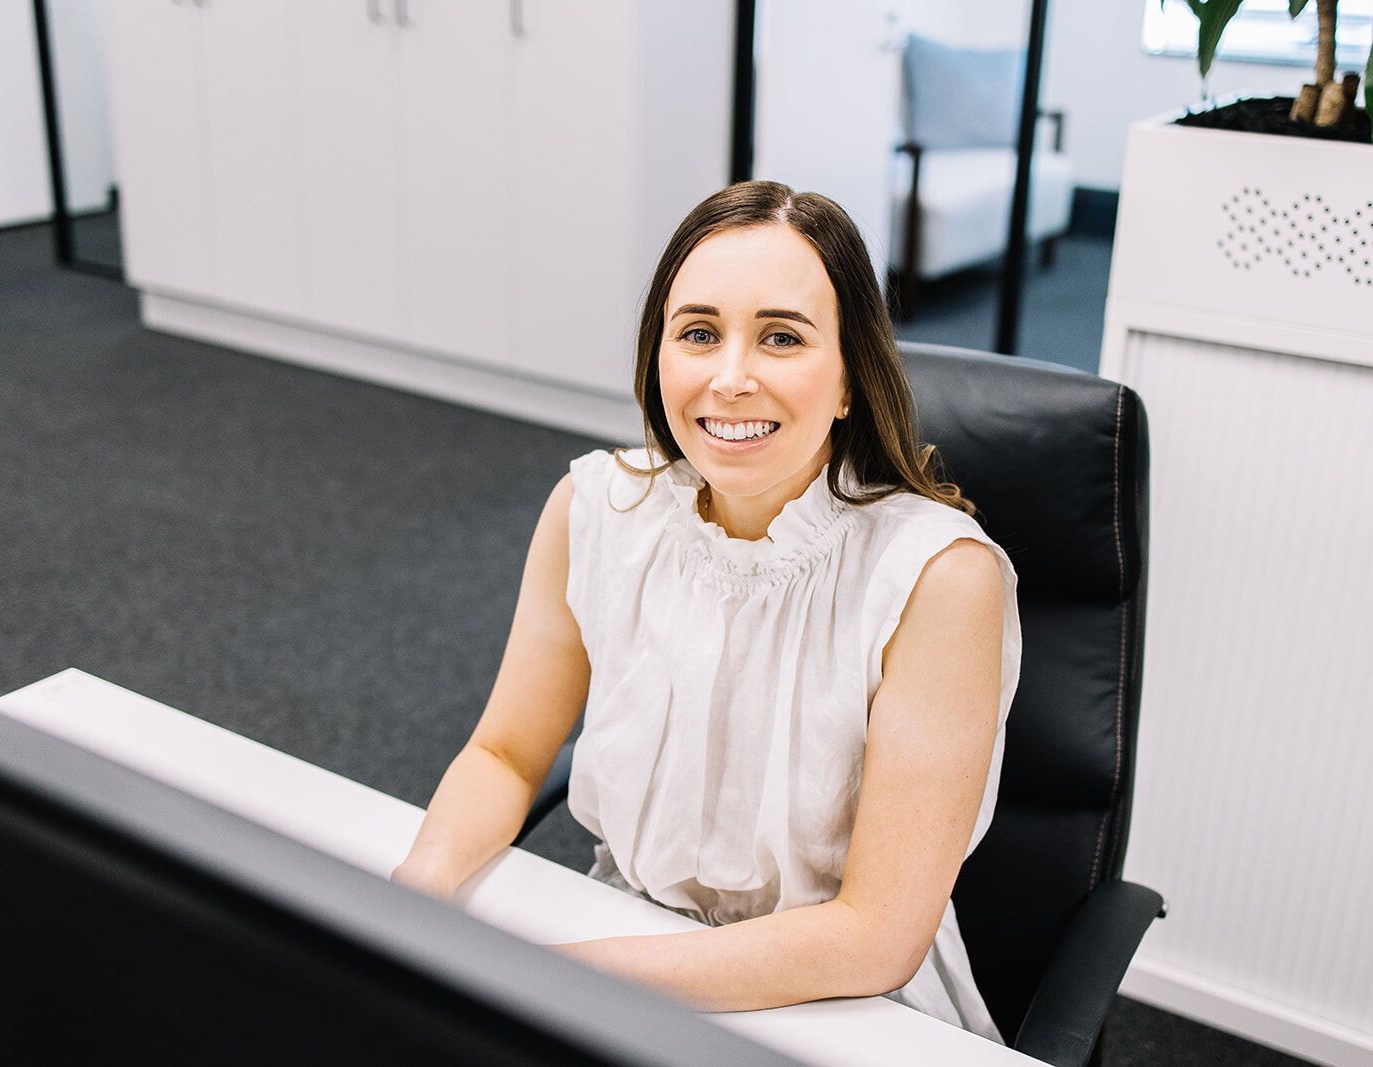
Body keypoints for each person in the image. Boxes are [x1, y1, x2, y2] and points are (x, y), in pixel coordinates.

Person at [391, 180, 1020, 1043]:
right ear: (659, 356)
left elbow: (874, 936)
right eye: (698, 333)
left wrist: (563, 973)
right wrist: (412, 896)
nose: (730, 378)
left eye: (781, 338)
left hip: (841, 1007)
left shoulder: (938, 576)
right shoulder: (592, 512)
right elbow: (504, 754)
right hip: (632, 941)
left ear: (848, 380)